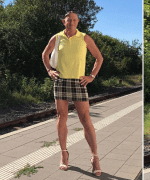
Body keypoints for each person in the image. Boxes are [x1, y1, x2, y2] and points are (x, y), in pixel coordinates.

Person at [42, 11, 103, 176]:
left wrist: (91, 76)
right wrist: (49, 70)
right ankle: (64, 153)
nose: (72, 23)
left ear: (78, 21)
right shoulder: (57, 37)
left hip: (79, 82)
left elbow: (99, 58)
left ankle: (95, 157)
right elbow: (44, 54)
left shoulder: (85, 38)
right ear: (64, 21)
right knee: (62, 117)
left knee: (85, 119)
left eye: (74, 20)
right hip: (61, 81)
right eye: (69, 20)